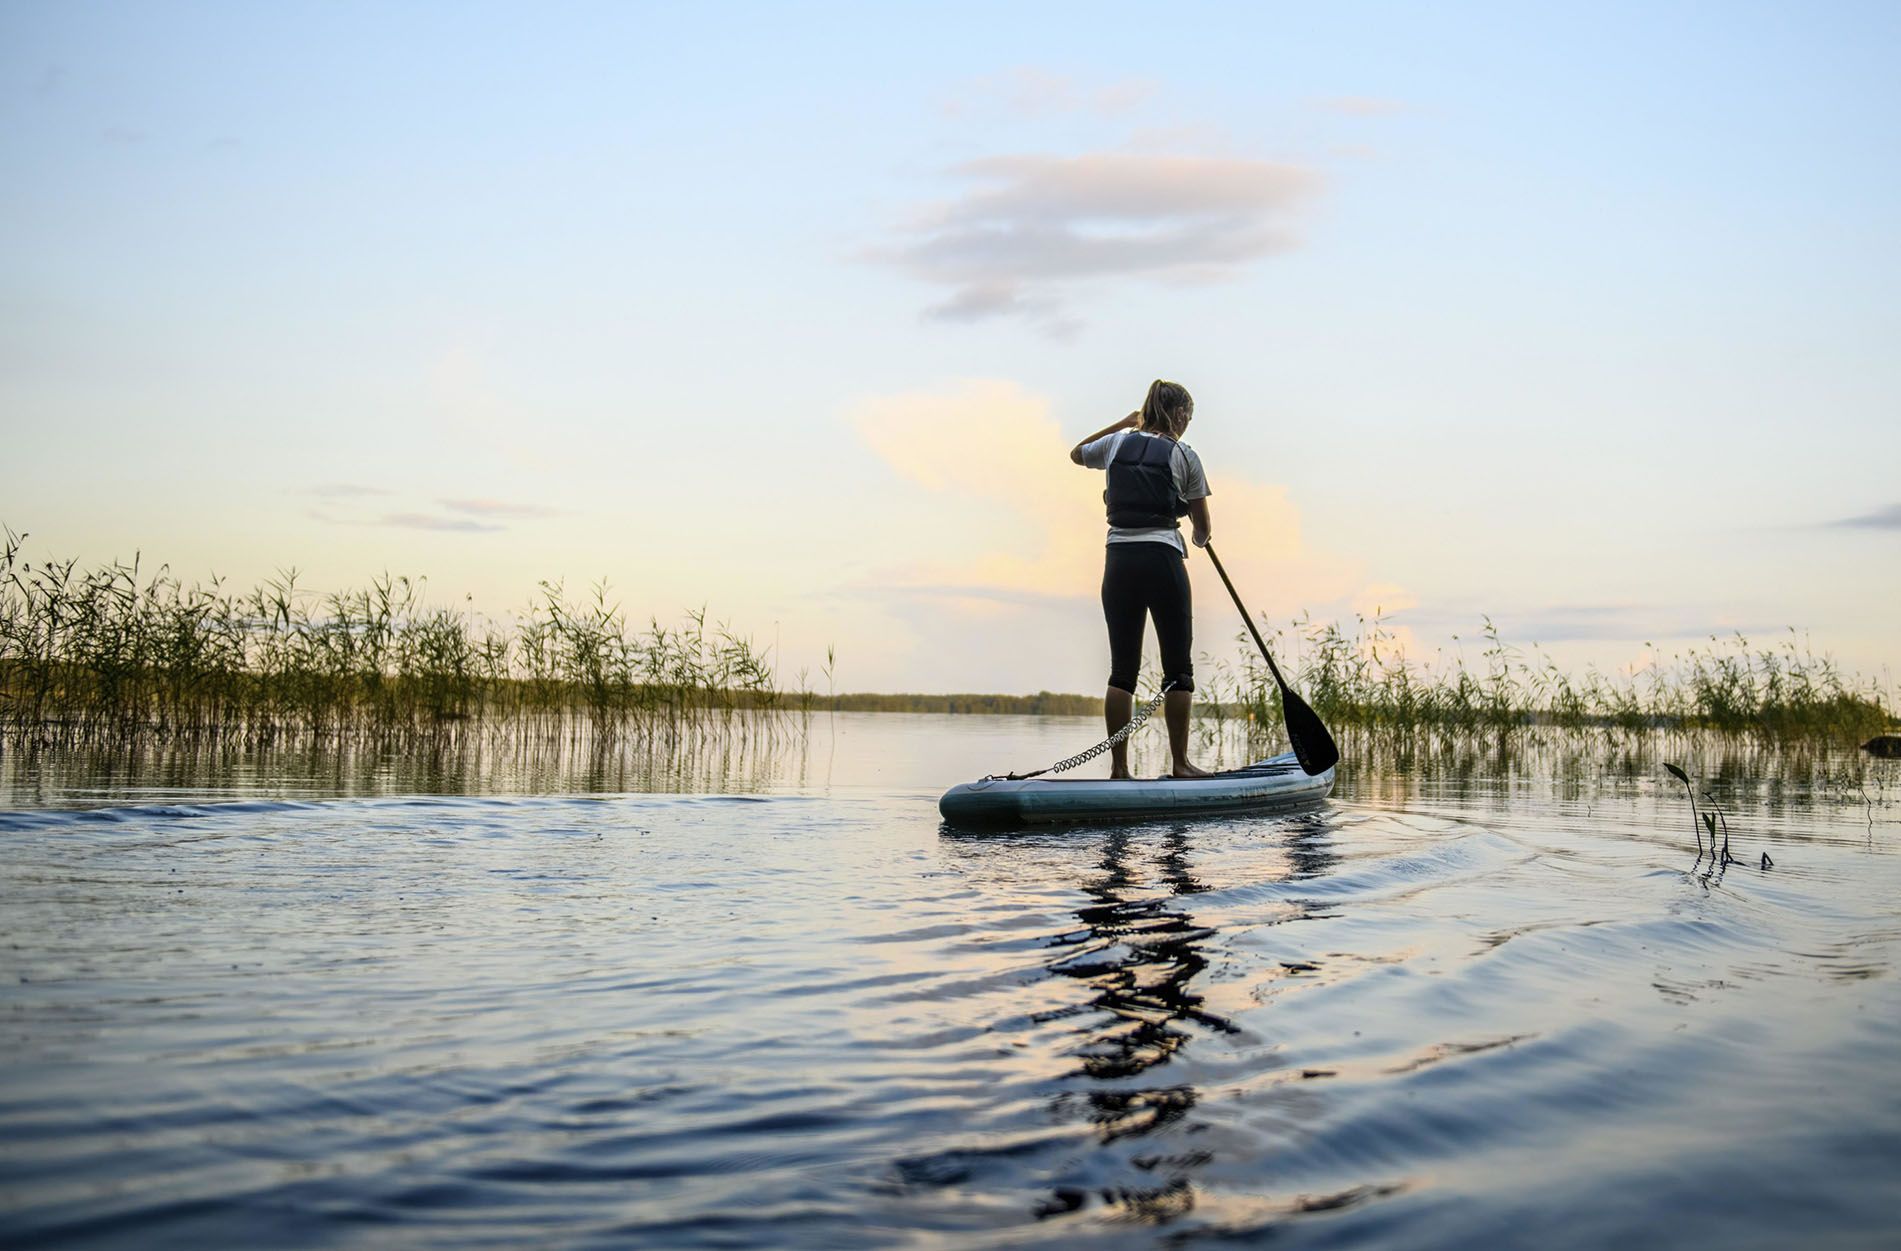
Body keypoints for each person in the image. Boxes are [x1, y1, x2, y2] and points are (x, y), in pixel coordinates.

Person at [1069, 379, 1212, 779]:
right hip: (1163, 560)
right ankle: (1181, 765)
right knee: (1178, 670)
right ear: (1179, 413)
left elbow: (1077, 454)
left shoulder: (1115, 445)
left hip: (1119, 563)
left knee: (1122, 671)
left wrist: (1124, 423)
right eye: (1188, 415)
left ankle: (1119, 770)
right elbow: (1202, 532)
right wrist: (1196, 530)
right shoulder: (1185, 455)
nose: (1188, 423)